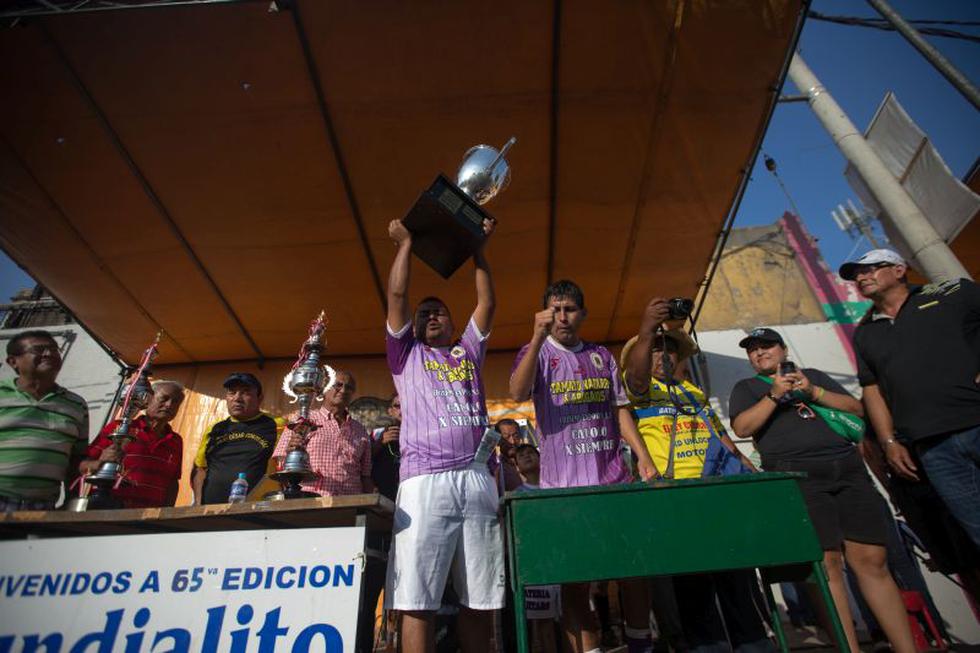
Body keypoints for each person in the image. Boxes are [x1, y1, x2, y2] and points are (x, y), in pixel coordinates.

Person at [728, 327, 914, 653]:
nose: (759, 353)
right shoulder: (746, 387)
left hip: (848, 472)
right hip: (799, 478)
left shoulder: (813, 376)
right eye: (752, 350)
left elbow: (856, 409)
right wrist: (774, 394)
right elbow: (743, 427)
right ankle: (849, 648)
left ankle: (906, 648)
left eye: (766, 346)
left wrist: (813, 391)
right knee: (827, 564)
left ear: (783, 349)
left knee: (872, 559)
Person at [510, 279, 657, 653]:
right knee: (575, 579)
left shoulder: (602, 356)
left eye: (570, 309)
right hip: (564, 489)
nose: (562, 317)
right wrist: (536, 336)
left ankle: (641, 644)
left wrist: (643, 455)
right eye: (555, 309)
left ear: (583, 314)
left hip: (613, 479)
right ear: (545, 313)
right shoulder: (536, 351)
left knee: (632, 570)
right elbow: (516, 392)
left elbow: (619, 409)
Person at [383, 217, 503, 653]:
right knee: (417, 600)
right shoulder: (405, 355)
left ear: (453, 324)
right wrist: (406, 244)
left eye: (440, 311)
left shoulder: (467, 352)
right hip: (423, 481)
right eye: (424, 313)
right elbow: (397, 295)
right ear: (412, 327)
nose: (432, 315)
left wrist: (479, 250)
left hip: (475, 479)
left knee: (481, 600)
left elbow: (486, 303)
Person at [622, 300, 769, 653]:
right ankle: (708, 645)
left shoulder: (693, 391)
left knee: (736, 573)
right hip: (674, 495)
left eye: (669, 350)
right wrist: (646, 329)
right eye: (656, 350)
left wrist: (748, 469)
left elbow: (721, 436)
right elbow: (639, 378)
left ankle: (753, 642)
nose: (663, 356)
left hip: (716, 490)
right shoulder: (637, 389)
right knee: (693, 580)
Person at [839, 249, 980, 547]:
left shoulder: (951, 293)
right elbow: (872, 389)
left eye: (870, 269)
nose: (861, 277)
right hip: (933, 450)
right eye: (856, 275)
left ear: (899, 269)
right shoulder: (865, 333)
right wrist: (889, 441)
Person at [0, 330, 89, 510]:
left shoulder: (76, 404)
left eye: (54, 349)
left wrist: (72, 504)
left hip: (43, 506)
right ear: (13, 361)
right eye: (39, 349)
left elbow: (76, 459)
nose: (49, 354)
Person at [79, 380, 185, 508]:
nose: (169, 405)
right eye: (164, 399)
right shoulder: (119, 428)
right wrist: (100, 461)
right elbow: (81, 466)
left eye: (176, 402)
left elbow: (172, 482)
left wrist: (166, 512)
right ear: (148, 400)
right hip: (109, 510)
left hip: (149, 518)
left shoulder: (176, 441)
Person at [273, 369, 373, 496]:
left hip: (349, 503)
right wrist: (290, 451)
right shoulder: (303, 419)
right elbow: (280, 463)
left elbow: (365, 475)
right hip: (311, 501)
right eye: (338, 385)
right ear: (324, 390)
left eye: (349, 387)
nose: (343, 390)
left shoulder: (360, 429)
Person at [191, 372, 284, 505]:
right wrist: (198, 503)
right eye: (232, 392)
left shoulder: (278, 424)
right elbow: (200, 468)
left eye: (246, 392)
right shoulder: (215, 428)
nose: (237, 398)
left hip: (256, 510)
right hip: (211, 511)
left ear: (260, 398)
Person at [371, 393, 402, 502]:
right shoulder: (376, 433)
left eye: (406, 404)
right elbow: (365, 460)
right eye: (397, 406)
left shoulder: (422, 434)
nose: (402, 409)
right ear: (390, 411)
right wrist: (380, 443)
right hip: (385, 491)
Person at [495, 418, 525, 494]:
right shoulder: (495, 468)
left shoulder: (531, 461)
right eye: (506, 437)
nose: (512, 441)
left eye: (515, 436)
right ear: (498, 441)